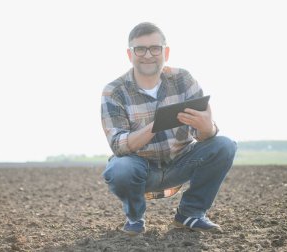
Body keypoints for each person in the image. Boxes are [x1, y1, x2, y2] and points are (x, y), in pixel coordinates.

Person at [101, 22, 237, 235]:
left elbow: (202, 136)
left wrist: (207, 128)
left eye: (155, 48)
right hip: (140, 169)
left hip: (181, 162)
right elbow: (118, 145)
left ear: (166, 51)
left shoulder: (183, 79)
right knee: (120, 168)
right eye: (140, 49)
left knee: (224, 145)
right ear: (129, 54)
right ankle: (135, 218)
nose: (148, 55)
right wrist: (156, 125)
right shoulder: (114, 91)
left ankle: (190, 214)